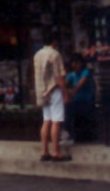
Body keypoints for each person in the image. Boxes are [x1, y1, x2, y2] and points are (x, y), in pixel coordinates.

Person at [33, 30, 70, 162]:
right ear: (55, 41)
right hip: (53, 90)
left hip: (42, 91)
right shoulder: (55, 55)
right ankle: (56, 152)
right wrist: (65, 93)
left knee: (46, 120)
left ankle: (44, 151)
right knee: (56, 121)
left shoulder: (37, 55)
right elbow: (58, 77)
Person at [64, 55, 95, 144]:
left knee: (70, 109)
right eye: (73, 63)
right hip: (75, 101)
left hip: (85, 100)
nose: (75, 65)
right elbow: (65, 84)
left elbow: (79, 85)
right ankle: (68, 133)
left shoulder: (85, 72)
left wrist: (71, 92)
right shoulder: (71, 74)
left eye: (77, 63)